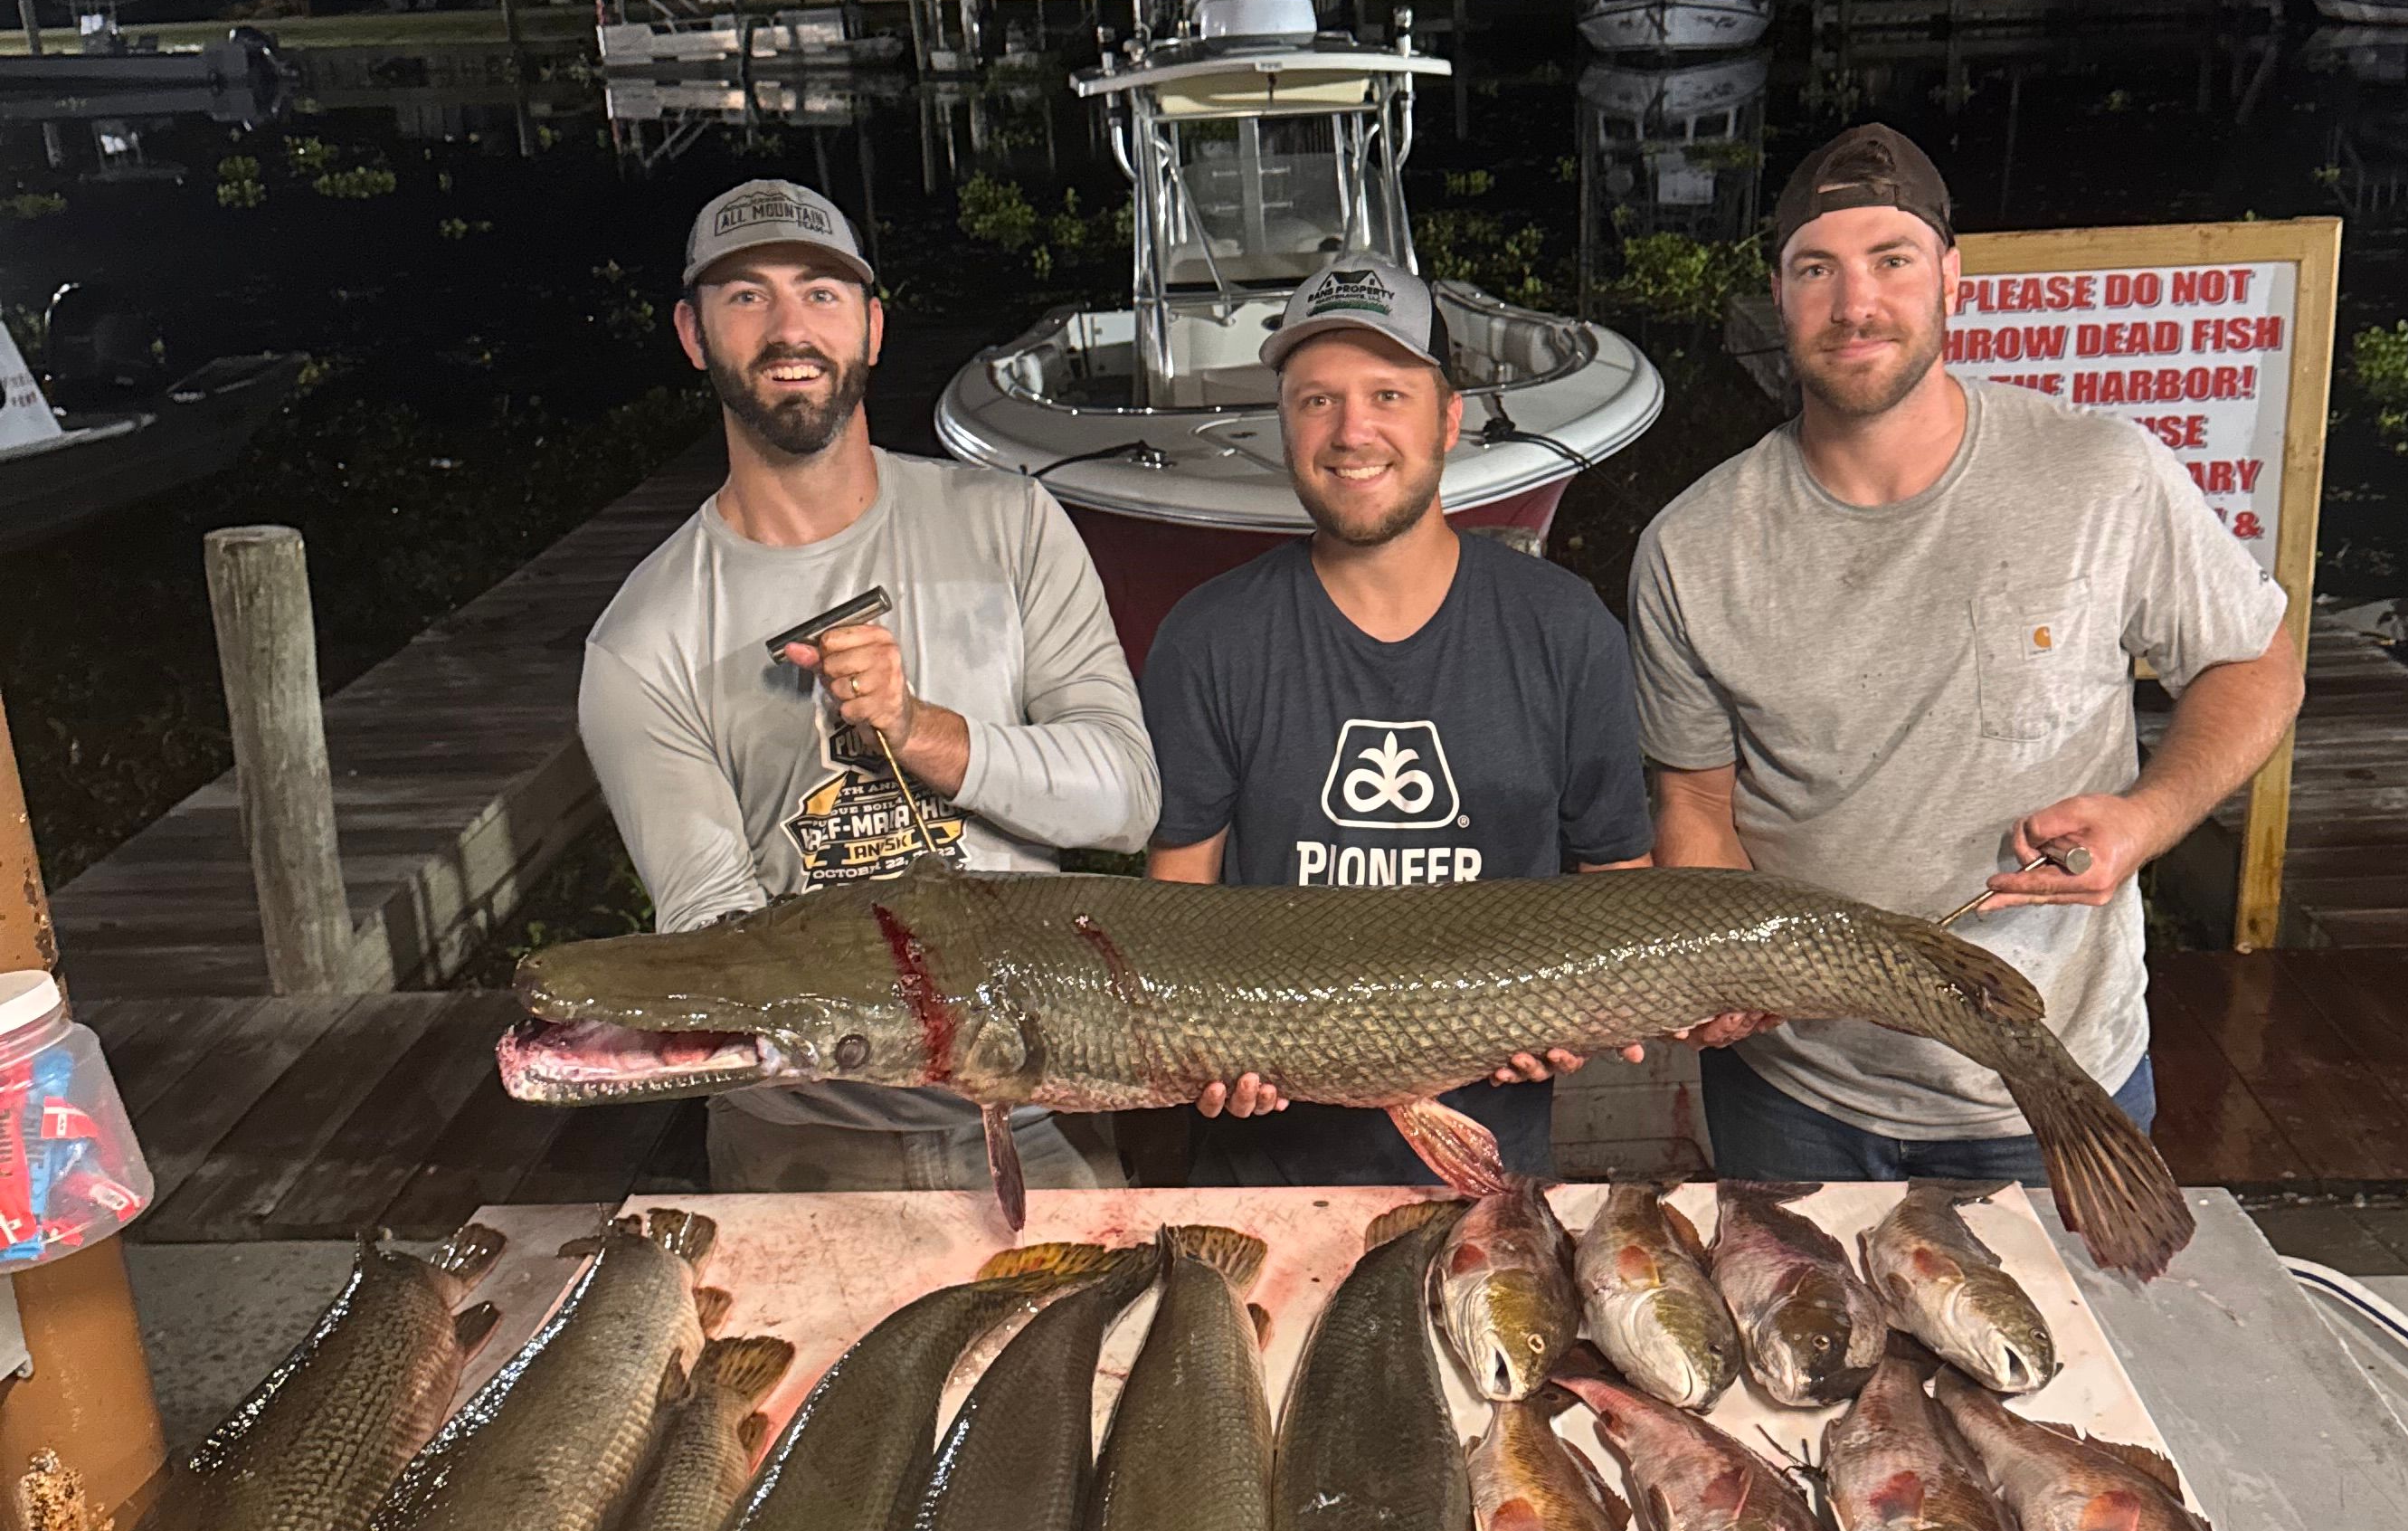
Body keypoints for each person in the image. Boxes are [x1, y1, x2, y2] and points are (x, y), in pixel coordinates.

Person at [1630, 120, 2302, 1189]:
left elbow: (2255, 661)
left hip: (2051, 1073)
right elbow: (1697, 810)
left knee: (2062, 1348)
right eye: (1818, 270)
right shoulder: (1690, 546)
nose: (1856, 304)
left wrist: (2146, 817)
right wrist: (1722, 967)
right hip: (1795, 1086)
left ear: (1950, 274)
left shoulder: (2101, 472)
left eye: (1891, 262)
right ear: (1780, 294)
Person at [578, 176, 1159, 1191]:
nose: (788, 327)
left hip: (1044, 1106)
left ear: (873, 327)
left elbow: (1125, 801)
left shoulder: (1008, 523)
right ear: (692, 331)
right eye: (746, 297)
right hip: (806, 1141)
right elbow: (717, 948)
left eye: (822, 292)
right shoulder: (643, 639)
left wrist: (920, 728)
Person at [1142, 252, 1654, 1186]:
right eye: (1315, 400)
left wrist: (1575, 1022)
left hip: (1487, 1166)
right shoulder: (1207, 636)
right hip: (1267, 1170)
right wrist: (1205, 1055)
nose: (1350, 432)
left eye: (1388, 395)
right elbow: (1177, 915)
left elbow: (1620, 887)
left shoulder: (1564, 626)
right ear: (1285, 425)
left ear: (1449, 420)